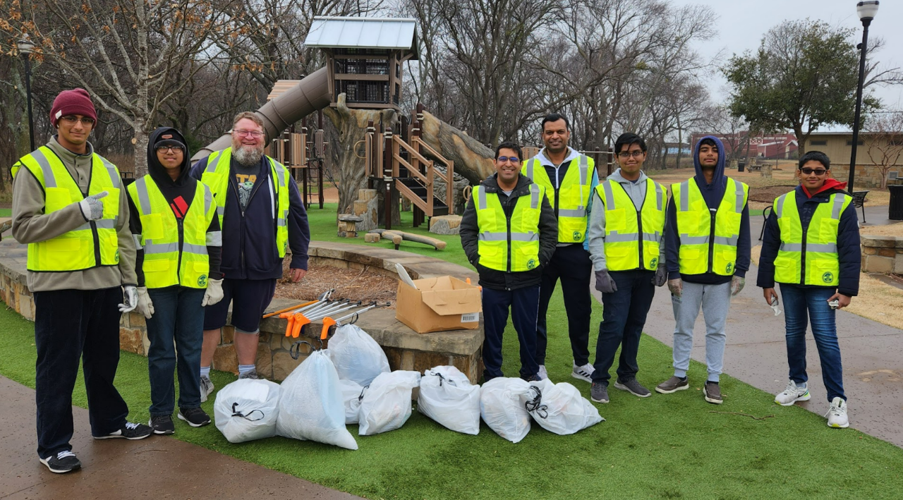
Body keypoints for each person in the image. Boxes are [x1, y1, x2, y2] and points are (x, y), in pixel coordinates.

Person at [11, 88, 152, 474]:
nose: (78, 125)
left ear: (93, 124)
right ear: (56, 121)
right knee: (58, 366)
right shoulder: (34, 166)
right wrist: (77, 212)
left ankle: (108, 424)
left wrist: (128, 280)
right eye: (70, 118)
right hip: (59, 286)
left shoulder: (107, 169)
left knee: (104, 359)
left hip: (105, 283)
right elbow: (23, 228)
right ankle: (53, 445)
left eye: (85, 119)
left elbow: (122, 231)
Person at [190, 112, 310, 397]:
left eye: (255, 133)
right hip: (215, 265)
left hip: (262, 264)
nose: (249, 138)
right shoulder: (207, 167)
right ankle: (201, 376)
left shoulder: (279, 173)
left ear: (264, 139)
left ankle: (246, 374)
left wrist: (300, 256)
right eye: (243, 132)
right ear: (232, 135)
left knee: (249, 322)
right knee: (209, 323)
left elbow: (296, 215)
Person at [127, 127, 224, 434]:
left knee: (191, 347)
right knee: (161, 350)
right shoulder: (136, 191)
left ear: (184, 152)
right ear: (153, 152)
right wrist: (137, 285)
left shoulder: (202, 190)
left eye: (176, 146)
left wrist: (215, 279)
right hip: (156, 286)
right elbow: (133, 242)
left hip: (194, 283)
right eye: (163, 146)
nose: (170, 151)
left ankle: (190, 405)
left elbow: (214, 238)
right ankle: (160, 411)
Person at [757, 151, 859, 428]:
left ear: (827, 172)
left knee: (826, 339)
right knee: (793, 335)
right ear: (798, 172)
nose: (812, 175)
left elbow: (851, 250)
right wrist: (766, 282)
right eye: (807, 170)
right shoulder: (783, 202)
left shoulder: (843, 203)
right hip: (789, 283)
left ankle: (837, 401)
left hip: (823, 286)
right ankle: (799, 384)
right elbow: (769, 246)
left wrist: (847, 289)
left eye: (818, 170)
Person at [655, 135, 750, 405]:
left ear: (721, 155)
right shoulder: (681, 190)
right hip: (687, 276)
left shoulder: (738, 190)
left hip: (721, 276)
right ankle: (680, 375)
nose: (709, 154)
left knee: (716, 329)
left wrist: (741, 270)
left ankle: (713, 380)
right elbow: (670, 234)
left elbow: (744, 235)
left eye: (714, 150)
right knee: (683, 328)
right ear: (696, 155)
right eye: (703, 150)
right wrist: (673, 272)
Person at [460, 141, 557, 381]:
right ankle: (493, 375)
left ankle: (530, 373)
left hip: (528, 276)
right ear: (495, 163)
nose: (508, 164)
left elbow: (550, 231)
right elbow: (467, 230)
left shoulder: (536, 192)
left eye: (513, 159)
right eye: (503, 159)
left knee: (528, 331)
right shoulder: (479, 192)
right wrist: (478, 259)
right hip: (492, 276)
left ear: (520, 164)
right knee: (493, 332)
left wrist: (541, 259)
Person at [586, 133, 667, 404]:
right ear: (617, 157)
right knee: (614, 325)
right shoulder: (605, 189)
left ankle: (627, 375)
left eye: (635, 152)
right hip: (616, 272)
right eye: (624, 153)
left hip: (646, 271)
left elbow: (663, 232)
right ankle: (599, 379)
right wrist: (600, 269)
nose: (630, 157)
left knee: (635, 324)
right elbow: (595, 233)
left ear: (644, 155)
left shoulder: (658, 190)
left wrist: (662, 263)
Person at [521, 113, 598, 382]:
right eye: (549, 132)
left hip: (576, 251)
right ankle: (537, 363)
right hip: (540, 252)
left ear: (568, 133)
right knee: (536, 309)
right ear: (542, 135)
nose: (555, 136)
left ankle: (581, 363)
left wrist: (588, 247)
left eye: (560, 131)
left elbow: (594, 209)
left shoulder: (586, 165)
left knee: (579, 309)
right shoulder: (527, 167)